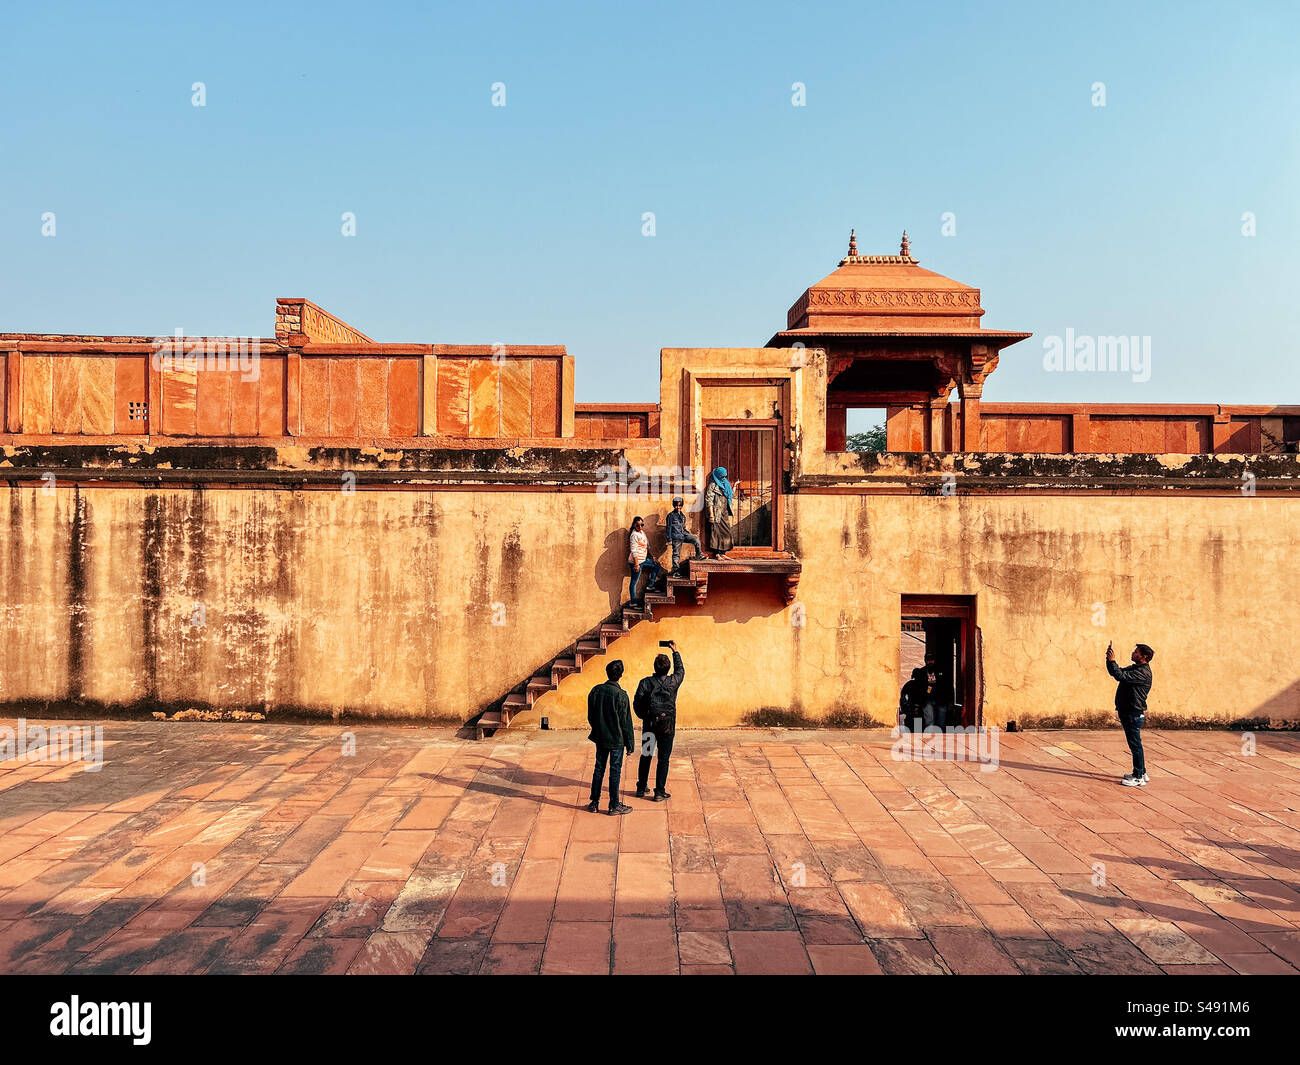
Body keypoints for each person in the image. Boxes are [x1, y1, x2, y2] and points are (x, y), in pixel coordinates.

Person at [633, 640, 684, 801]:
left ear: (654, 667)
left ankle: (641, 787)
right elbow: (681, 670)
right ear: (668, 669)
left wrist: (644, 716)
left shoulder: (645, 683)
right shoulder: (673, 682)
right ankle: (659, 791)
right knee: (663, 758)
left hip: (650, 725)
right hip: (667, 726)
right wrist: (675, 652)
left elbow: (636, 703)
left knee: (646, 754)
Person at [587, 659, 635, 815]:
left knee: (599, 768)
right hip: (616, 740)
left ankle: (594, 802)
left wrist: (598, 728)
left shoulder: (596, 691)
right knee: (615, 771)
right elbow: (626, 723)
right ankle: (614, 805)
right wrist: (630, 745)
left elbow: (591, 716)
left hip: (601, 737)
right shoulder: (621, 695)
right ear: (621, 675)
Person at [1107, 641, 1154, 787]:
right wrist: (1109, 661)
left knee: (1135, 745)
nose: (1133, 653)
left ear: (1143, 656)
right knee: (1135, 744)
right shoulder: (1136, 668)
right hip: (1129, 711)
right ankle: (1142, 772)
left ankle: (1138, 776)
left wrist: (1112, 660)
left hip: (1133, 712)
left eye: (1136, 652)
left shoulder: (1142, 672)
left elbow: (1121, 675)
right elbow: (1117, 673)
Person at [899, 653, 951, 730]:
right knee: (929, 721)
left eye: (932, 660)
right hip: (927, 700)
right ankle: (929, 737)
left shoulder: (940, 671)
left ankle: (940, 738)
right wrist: (917, 704)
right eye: (928, 660)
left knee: (941, 721)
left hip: (941, 700)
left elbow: (947, 687)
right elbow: (917, 690)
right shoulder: (921, 672)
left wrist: (950, 701)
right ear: (925, 661)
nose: (930, 662)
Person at [626, 515, 663, 609]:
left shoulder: (642, 533)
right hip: (636, 561)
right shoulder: (634, 535)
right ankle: (633, 603)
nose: (640, 527)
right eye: (638, 525)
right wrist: (637, 564)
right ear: (634, 525)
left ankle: (650, 586)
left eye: (642, 525)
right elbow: (634, 551)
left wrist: (652, 557)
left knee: (656, 565)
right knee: (634, 582)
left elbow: (647, 547)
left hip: (644, 560)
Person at [665, 496, 702, 574]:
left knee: (696, 539)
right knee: (676, 554)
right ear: (674, 506)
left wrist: (689, 535)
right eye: (676, 505)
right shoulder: (670, 516)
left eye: (679, 505)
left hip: (684, 535)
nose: (678, 507)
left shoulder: (682, 516)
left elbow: (684, 528)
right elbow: (668, 528)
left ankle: (699, 555)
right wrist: (669, 540)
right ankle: (676, 571)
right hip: (676, 537)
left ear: (682, 506)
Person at [704, 467, 733, 560]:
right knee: (715, 532)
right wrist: (711, 515)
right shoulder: (713, 485)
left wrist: (735, 485)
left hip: (724, 512)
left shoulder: (726, 483)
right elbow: (709, 500)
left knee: (726, 532)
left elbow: (730, 494)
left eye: (725, 476)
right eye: (721, 476)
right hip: (716, 513)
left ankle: (723, 552)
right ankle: (716, 554)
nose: (723, 477)